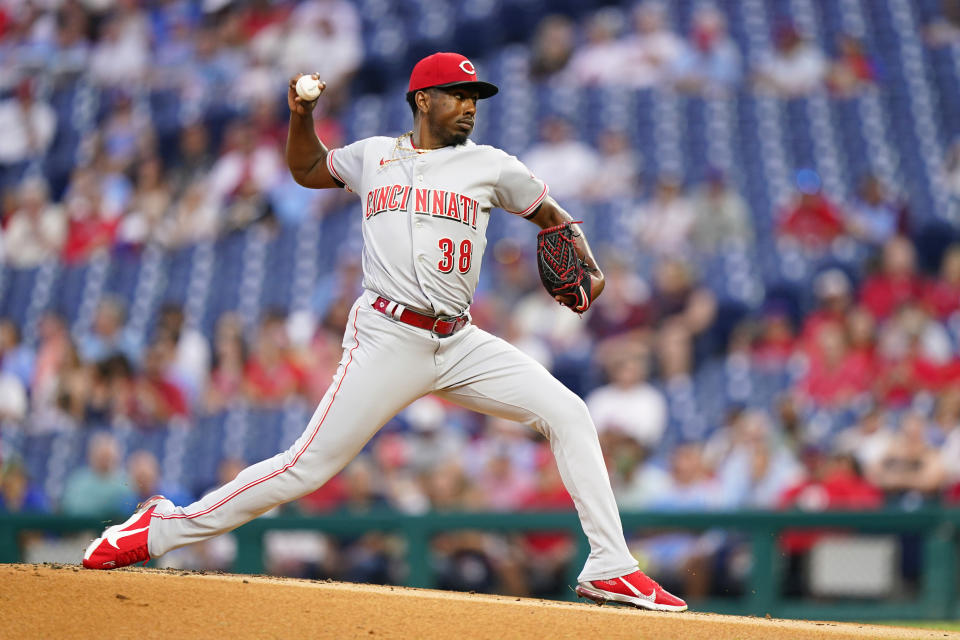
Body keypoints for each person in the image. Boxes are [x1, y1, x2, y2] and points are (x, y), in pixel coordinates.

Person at [81, 52, 687, 612]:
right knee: (304, 469)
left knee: (569, 412)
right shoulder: (374, 155)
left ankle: (610, 564)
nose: (471, 105)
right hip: (387, 337)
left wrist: (582, 256)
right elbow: (309, 168)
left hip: (460, 342)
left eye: (476, 96)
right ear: (423, 100)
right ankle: (158, 527)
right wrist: (302, 114)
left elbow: (552, 217)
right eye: (458, 94)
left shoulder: (492, 165)